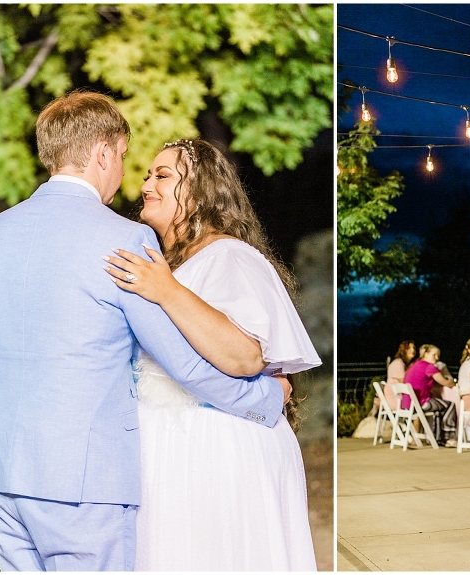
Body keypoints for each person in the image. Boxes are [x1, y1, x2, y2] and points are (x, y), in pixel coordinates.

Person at [0, 92, 287, 571]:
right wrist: (267, 398)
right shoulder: (125, 239)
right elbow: (185, 365)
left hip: (0, 471)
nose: (125, 174)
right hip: (84, 481)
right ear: (103, 153)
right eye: (125, 158)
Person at [102, 139, 321, 570]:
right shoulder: (168, 264)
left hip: (215, 447)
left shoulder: (231, 256)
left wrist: (166, 290)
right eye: (148, 174)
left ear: (200, 193)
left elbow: (245, 357)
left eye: (163, 175)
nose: (147, 184)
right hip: (172, 446)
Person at [402, 344, 457, 446]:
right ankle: (448, 437)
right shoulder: (429, 367)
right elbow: (444, 382)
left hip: (407, 403)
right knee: (450, 405)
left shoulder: (417, 364)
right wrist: (455, 383)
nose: (436, 358)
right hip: (420, 403)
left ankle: (437, 437)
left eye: (438, 356)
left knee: (438, 407)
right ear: (426, 355)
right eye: (434, 355)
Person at [384, 340, 416, 410]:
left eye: (413, 348)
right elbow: (404, 382)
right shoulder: (398, 363)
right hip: (396, 398)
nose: (413, 350)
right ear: (403, 350)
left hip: (400, 396)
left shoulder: (403, 364)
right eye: (409, 348)